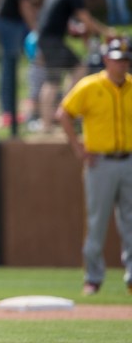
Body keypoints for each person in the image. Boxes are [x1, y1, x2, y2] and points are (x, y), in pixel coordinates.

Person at [56, 36, 132, 296]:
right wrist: (78, 147)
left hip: (129, 160)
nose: (121, 64)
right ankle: (93, 278)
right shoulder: (90, 86)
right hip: (100, 162)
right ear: (106, 60)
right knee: (97, 221)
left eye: (124, 59)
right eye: (116, 59)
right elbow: (63, 113)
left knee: (131, 222)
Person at [35, 0, 115, 133]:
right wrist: (108, 32)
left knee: (65, 74)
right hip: (52, 41)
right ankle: (56, 118)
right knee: (60, 77)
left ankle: (55, 118)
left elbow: (64, 21)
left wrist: (81, 33)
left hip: (48, 39)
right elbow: (88, 21)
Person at [0, 0, 46, 128]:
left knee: (37, 59)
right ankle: (9, 112)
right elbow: (24, 5)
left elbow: (30, 2)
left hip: (16, 22)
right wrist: (36, 30)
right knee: (10, 64)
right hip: (9, 22)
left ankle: (34, 103)